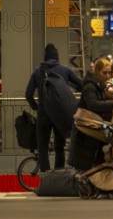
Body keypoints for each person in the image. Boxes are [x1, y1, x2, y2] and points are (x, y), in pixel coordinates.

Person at [25, 43, 83, 172]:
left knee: (43, 147)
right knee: (59, 146)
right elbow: (81, 85)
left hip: (44, 114)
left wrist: (35, 106)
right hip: (60, 115)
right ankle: (59, 174)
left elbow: (28, 94)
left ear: (45, 57)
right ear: (57, 57)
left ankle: (46, 176)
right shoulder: (65, 70)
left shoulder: (37, 72)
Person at [68, 58, 113, 171]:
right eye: (104, 73)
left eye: (109, 73)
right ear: (96, 72)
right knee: (82, 168)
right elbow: (93, 104)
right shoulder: (90, 86)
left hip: (90, 129)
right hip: (84, 131)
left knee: (88, 166)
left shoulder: (99, 86)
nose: (107, 76)